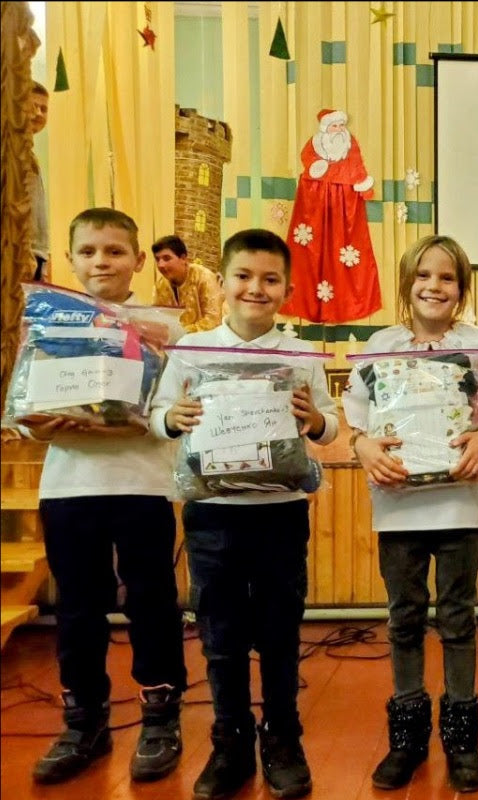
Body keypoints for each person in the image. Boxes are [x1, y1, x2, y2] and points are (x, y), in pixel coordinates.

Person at [151, 228, 339, 800]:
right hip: (212, 515)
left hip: (281, 513)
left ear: (286, 288)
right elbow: (158, 414)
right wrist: (173, 417)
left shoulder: (301, 355)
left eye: (270, 279)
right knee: (221, 636)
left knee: (281, 635)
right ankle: (230, 742)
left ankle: (283, 738)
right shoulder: (192, 349)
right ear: (224, 281)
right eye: (245, 276)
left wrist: (313, 421)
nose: (256, 288)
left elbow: (331, 427)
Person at [27, 208, 187, 786]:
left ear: (138, 261)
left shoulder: (163, 331)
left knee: (151, 603)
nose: (102, 262)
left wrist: (133, 420)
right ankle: (84, 721)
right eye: (90, 251)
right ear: (70, 260)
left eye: (115, 252)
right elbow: (26, 409)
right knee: (77, 608)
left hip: (143, 485)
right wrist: (38, 423)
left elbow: (172, 412)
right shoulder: (46, 323)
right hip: (69, 487)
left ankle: (161, 716)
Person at [342, 235, 478, 794]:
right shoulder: (379, 347)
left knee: (458, 620)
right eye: (424, 276)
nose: (435, 287)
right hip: (398, 507)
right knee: (404, 618)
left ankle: (461, 735)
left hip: (460, 505)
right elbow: (355, 418)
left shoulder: (477, 347)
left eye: (447, 278)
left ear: (461, 289)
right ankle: (407, 736)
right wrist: (361, 446)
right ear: (407, 282)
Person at [283, 108, 382, 324]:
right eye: (334, 126)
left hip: (346, 200)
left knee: (348, 249)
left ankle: (345, 304)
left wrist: (362, 184)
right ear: (326, 128)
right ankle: (306, 302)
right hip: (313, 197)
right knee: (308, 247)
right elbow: (307, 159)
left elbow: (357, 165)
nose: (339, 129)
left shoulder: (349, 144)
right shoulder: (316, 144)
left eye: (341, 126)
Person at [151, 235, 223, 332]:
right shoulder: (160, 286)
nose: (161, 265)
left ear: (183, 258)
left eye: (167, 258)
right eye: (157, 259)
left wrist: (181, 333)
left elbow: (214, 321)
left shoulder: (203, 278)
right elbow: (158, 319)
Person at [29, 82, 50, 281]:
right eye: (31, 106)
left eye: (44, 109)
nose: (39, 113)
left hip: (35, 252)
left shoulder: (28, 153)